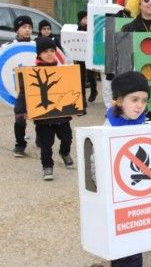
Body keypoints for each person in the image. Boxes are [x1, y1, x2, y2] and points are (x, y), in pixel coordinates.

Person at [106, 71, 150, 267]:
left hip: (138, 190)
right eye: (134, 99)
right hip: (114, 191)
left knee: (135, 233)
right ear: (119, 100)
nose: (139, 105)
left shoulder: (147, 126)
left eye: (144, 100)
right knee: (118, 234)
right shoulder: (107, 128)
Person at [32, 37, 74, 180]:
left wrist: (80, 107)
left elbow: (72, 90)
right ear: (39, 54)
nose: (50, 54)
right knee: (46, 145)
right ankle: (47, 167)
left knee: (67, 139)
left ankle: (64, 152)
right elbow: (26, 94)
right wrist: (21, 110)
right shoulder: (32, 73)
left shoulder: (63, 71)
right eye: (45, 51)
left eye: (52, 51)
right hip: (43, 119)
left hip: (62, 116)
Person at [7, 15, 34, 157]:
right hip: (18, 90)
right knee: (20, 118)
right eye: (24, 27)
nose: (27, 30)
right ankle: (20, 144)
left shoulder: (36, 47)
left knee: (41, 118)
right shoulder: (8, 47)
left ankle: (42, 139)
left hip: (36, 87)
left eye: (29, 27)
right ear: (17, 29)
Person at [76, 10, 98, 105]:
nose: (86, 20)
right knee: (81, 76)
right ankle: (83, 97)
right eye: (84, 18)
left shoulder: (93, 27)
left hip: (90, 55)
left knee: (90, 75)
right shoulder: (77, 29)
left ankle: (94, 91)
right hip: (80, 56)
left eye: (87, 18)